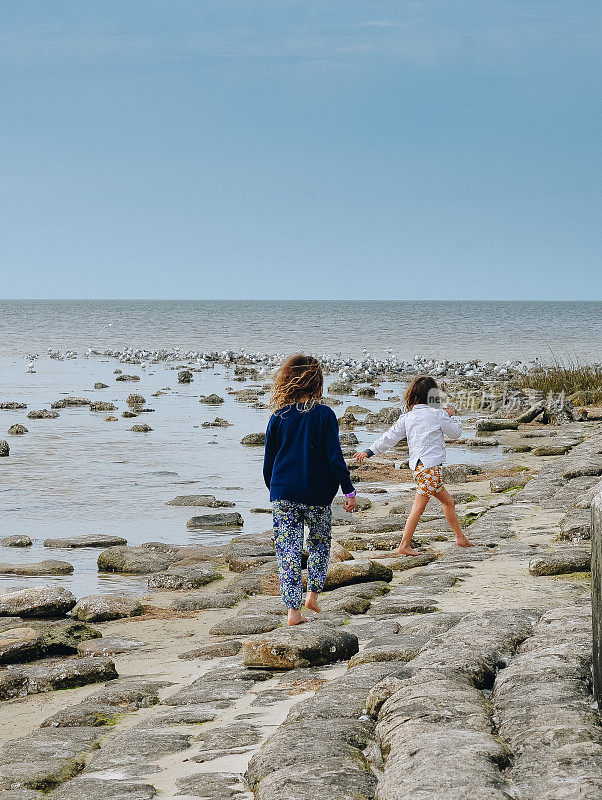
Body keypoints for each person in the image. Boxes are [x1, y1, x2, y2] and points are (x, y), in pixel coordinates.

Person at [263, 354, 357, 625]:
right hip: (318, 496)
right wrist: (348, 491)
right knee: (319, 545)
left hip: (285, 494)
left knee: (288, 551)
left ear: (288, 380)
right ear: (317, 382)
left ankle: (293, 612)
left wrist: (275, 488)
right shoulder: (325, 415)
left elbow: (269, 461)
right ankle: (312, 595)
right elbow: (335, 458)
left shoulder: (279, 415)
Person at [355, 375, 474, 555]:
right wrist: (453, 416)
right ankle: (404, 545)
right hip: (430, 469)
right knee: (418, 507)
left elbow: (389, 438)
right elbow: (455, 433)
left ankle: (460, 538)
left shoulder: (407, 417)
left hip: (420, 469)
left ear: (414, 395)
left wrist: (369, 451)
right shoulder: (439, 414)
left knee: (448, 502)